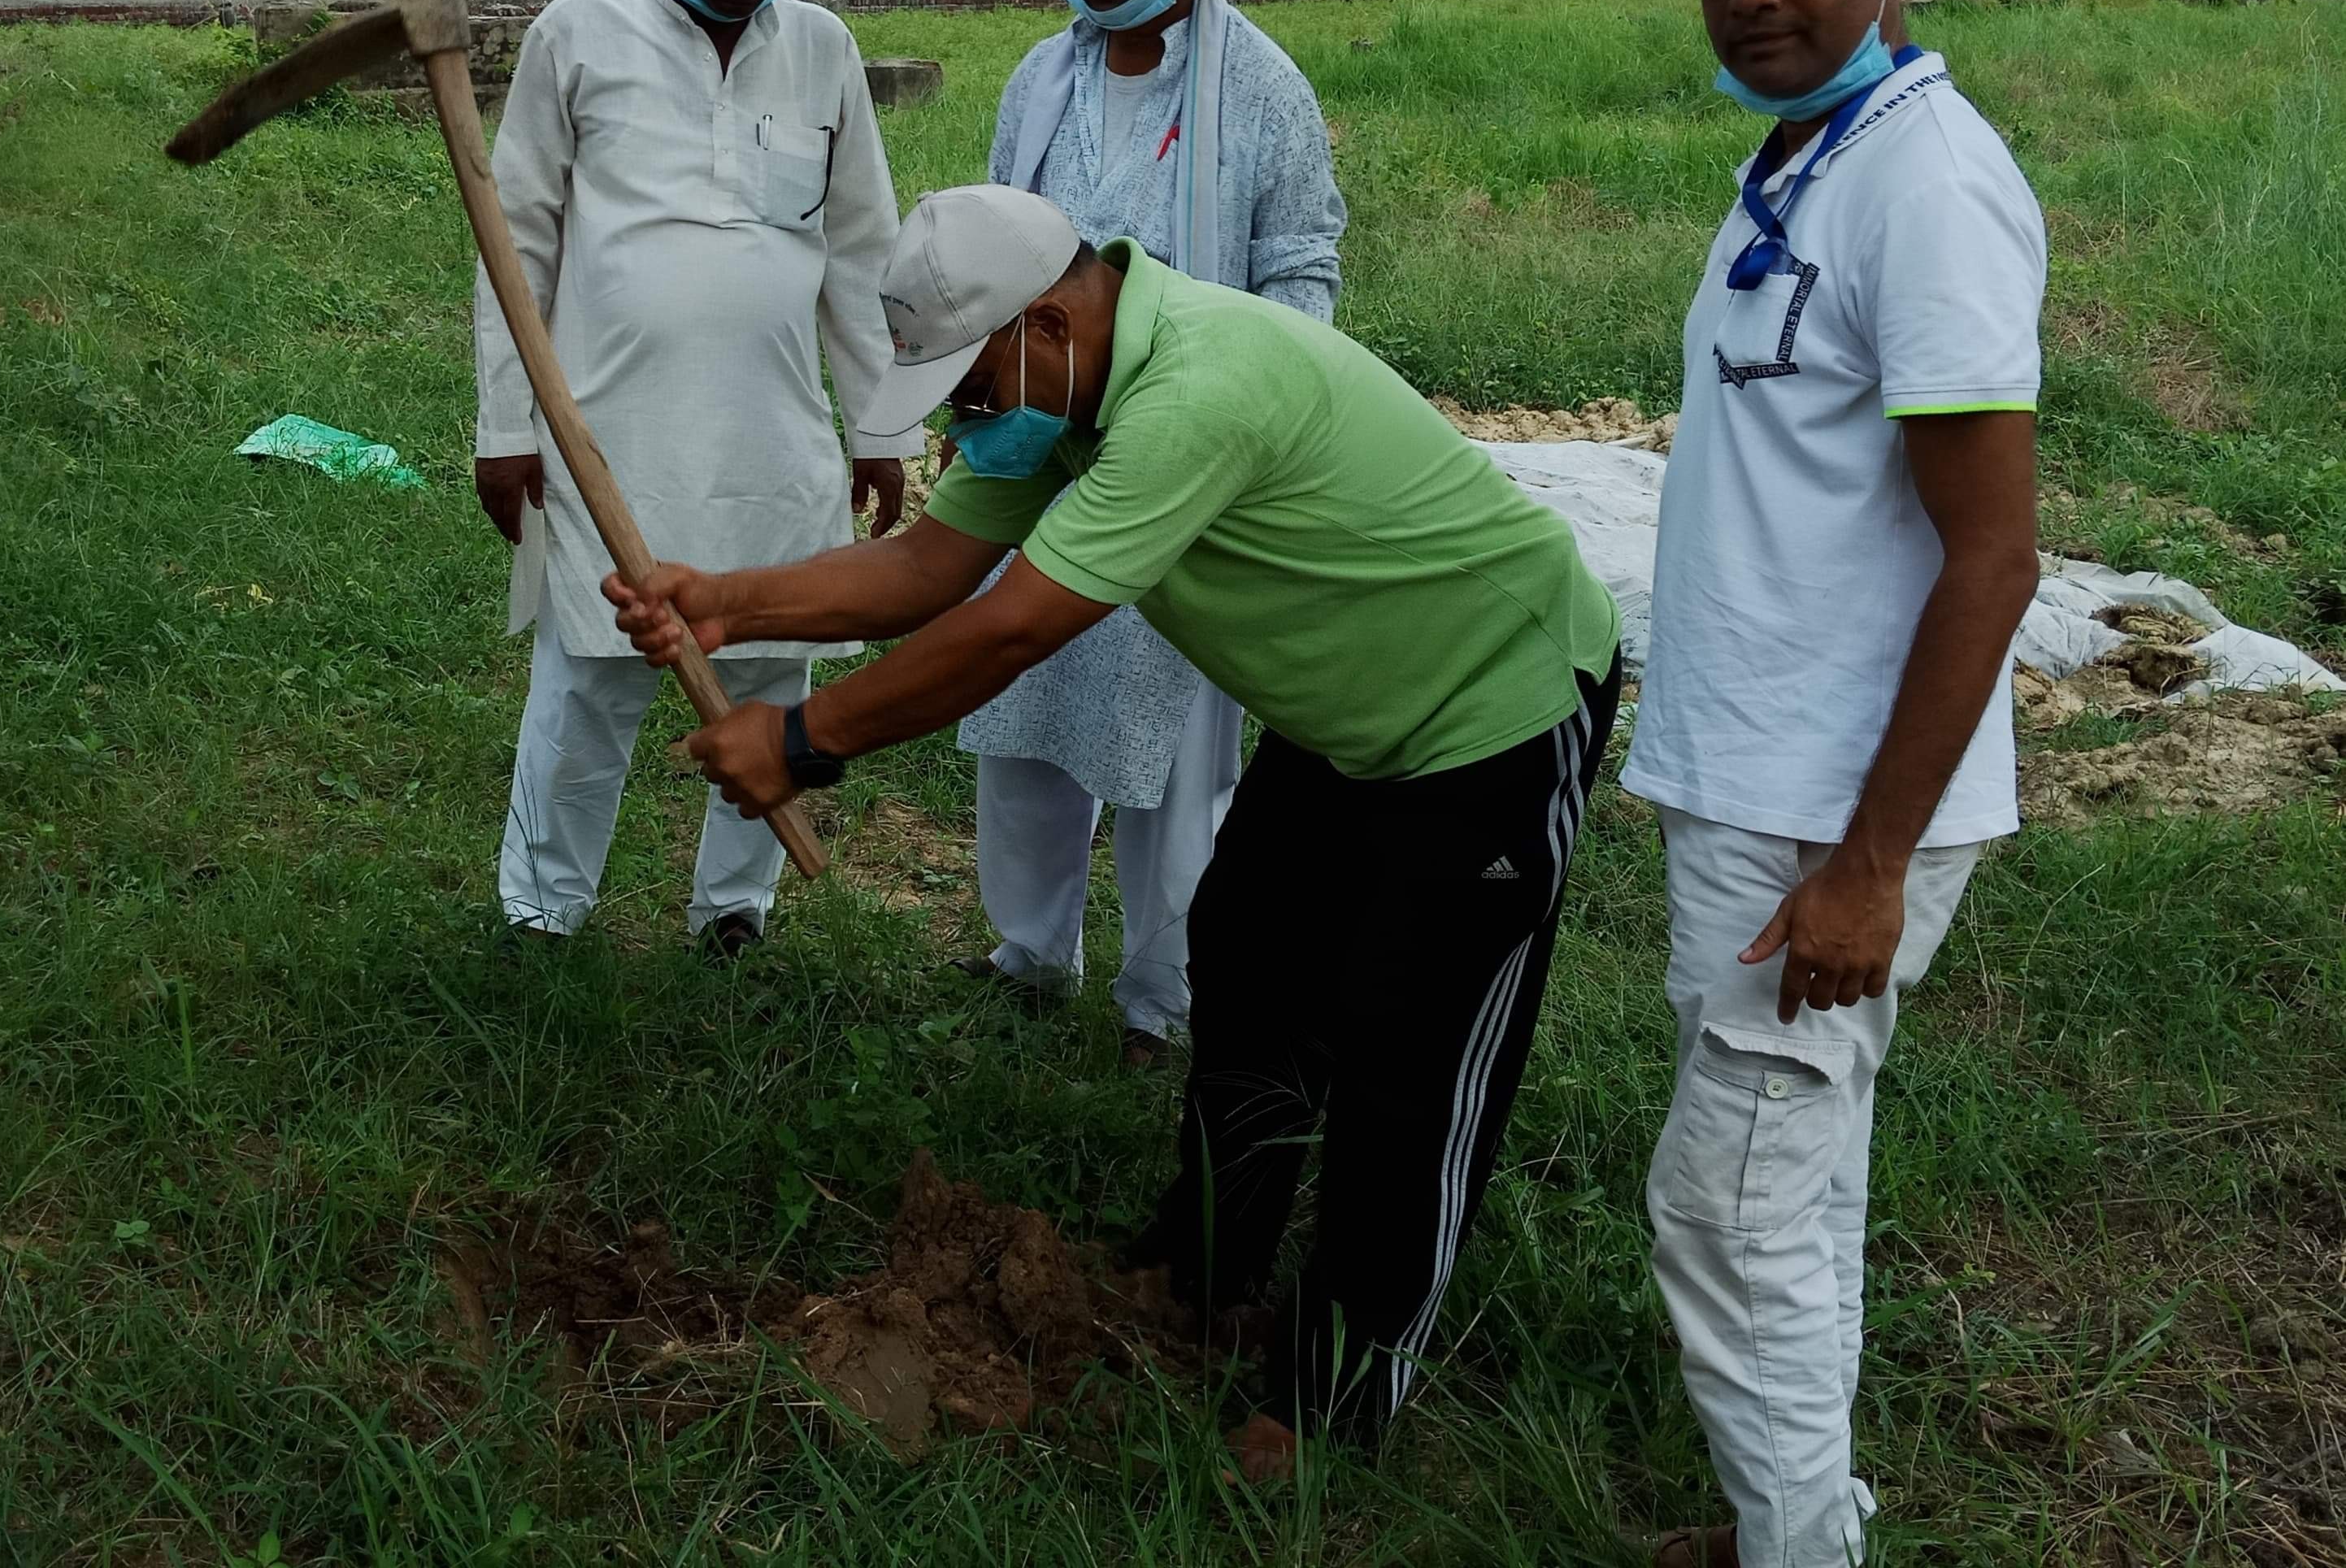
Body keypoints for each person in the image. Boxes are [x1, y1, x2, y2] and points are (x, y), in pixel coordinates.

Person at [601, 185, 1623, 1473]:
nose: (969, 423)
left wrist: (805, 744)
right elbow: (928, 570)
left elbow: (1013, 626)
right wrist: (727, 603)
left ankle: (1339, 1393)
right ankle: (1204, 1267)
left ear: (1046, 321)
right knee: (1247, 960)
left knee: (1409, 1054)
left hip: (1492, 710)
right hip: (1344, 721)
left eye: (970, 387)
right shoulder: (1057, 397)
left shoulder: (1197, 389)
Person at [1626, 0, 2044, 1568]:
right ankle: (1793, 1513)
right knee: (1797, 1184)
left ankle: (1798, 1549)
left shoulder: (1924, 184)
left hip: (1825, 814)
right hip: (1760, 778)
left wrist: (1867, 863)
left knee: (1723, 1218)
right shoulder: (1810, 151)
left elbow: (1992, 555)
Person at [473, 0, 917, 958]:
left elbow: (863, 251)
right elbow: (515, 244)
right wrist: (505, 423)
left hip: (776, 437)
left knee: (773, 673)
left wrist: (881, 428)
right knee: (588, 679)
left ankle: (734, 913)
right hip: (607, 441)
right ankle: (541, 912)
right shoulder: (577, 35)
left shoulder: (822, 50)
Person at [955, 0, 1345, 1069]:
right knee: (1020, 712)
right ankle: (1026, 953)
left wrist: (1254, 446)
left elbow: (1300, 278)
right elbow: (1002, 257)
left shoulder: (1266, 94)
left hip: (1192, 472)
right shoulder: (1038, 81)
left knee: (1179, 760)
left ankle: (1161, 1000)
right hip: (1039, 461)